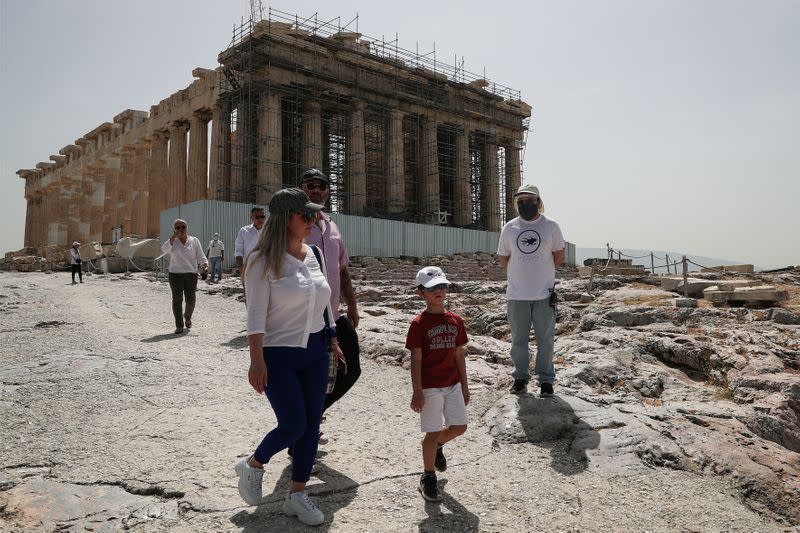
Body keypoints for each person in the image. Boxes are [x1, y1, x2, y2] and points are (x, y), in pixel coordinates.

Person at [235, 188, 344, 526]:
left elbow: (324, 301)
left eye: (314, 214)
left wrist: (333, 338)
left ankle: (297, 495)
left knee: (311, 427)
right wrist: (256, 360)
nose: (313, 220)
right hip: (278, 354)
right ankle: (254, 463)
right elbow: (255, 315)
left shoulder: (313, 253)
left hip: (315, 349)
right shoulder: (261, 260)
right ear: (286, 219)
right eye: (305, 215)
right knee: (294, 423)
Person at [299, 168, 361, 434]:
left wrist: (353, 305)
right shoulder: (293, 222)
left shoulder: (332, 226)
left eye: (321, 185)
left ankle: (315, 412)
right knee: (309, 378)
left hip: (333, 316)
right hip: (305, 317)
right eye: (310, 185)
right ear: (301, 188)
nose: (316, 189)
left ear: (327, 190)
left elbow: (343, 269)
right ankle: (303, 432)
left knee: (352, 369)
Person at [405, 266, 469, 503]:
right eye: (433, 288)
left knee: (460, 426)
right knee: (431, 432)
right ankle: (428, 476)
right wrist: (417, 391)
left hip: (452, 384)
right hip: (430, 387)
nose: (440, 291)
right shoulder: (419, 324)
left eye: (443, 286)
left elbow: (459, 355)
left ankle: (439, 446)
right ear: (421, 293)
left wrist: (465, 385)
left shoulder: (456, 320)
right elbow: (416, 357)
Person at [497, 184, 565, 397]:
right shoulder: (510, 227)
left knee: (546, 340)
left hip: (544, 293)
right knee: (518, 339)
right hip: (517, 294)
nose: (525, 203)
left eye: (529, 199)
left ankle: (546, 380)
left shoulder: (551, 226)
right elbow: (503, 257)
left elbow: (559, 255)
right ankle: (520, 378)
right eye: (521, 200)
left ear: (538, 201)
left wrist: (543, 273)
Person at [161, 219, 209, 334]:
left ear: (187, 228)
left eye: (183, 227)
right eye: (178, 228)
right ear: (174, 230)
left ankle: (187, 317)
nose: (180, 230)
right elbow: (164, 249)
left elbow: (201, 255)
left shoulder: (194, 241)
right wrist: (173, 237)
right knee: (177, 300)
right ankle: (179, 325)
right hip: (175, 274)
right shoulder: (172, 242)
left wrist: (205, 265)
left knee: (191, 299)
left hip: (191, 274)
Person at [235, 206, 266, 275]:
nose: (260, 219)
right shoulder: (244, 231)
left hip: (266, 270)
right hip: (249, 270)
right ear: (252, 217)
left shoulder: (269, 231)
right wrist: (241, 268)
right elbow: (238, 251)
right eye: (257, 217)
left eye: (263, 216)